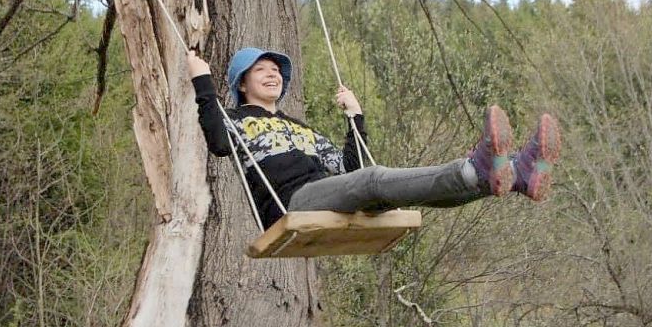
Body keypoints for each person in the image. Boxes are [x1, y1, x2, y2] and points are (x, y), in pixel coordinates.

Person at [187, 47, 561, 230]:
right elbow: (219, 144)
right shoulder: (235, 120)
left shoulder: (303, 131)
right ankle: (477, 168)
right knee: (375, 181)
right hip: (291, 204)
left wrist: (355, 118)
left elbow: (351, 168)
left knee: (394, 191)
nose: (272, 76)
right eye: (261, 71)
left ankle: (516, 175)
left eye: (276, 71)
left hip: (329, 191)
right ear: (242, 83)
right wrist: (202, 81)